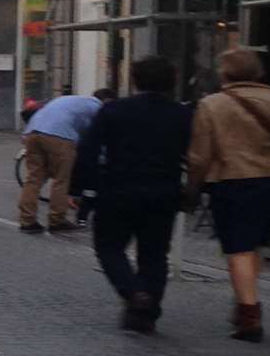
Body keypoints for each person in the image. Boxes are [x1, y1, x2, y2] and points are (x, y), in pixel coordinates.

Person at [185, 48, 270, 343]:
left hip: (231, 180)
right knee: (254, 244)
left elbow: (199, 156)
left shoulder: (212, 105)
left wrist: (192, 188)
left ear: (225, 73)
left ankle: (248, 313)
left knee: (238, 248)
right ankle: (246, 297)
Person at [72, 56, 192, 333]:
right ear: (172, 82)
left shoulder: (114, 110)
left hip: (117, 189)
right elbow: (195, 154)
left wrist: (81, 188)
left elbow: (88, 150)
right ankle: (145, 312)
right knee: (155, 254)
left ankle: (134, 294)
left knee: (109, 247)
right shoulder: (182, 114)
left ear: (135, 80)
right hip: (163, 190)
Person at [18, 88, 116, 234]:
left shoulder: (72, 100)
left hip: (32, 132)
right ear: (107, 101)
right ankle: (57, 220)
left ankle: (27, 221)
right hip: (59, 136)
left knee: (34, 178)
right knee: (62, 178)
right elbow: (96, 137)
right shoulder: (97, 108)